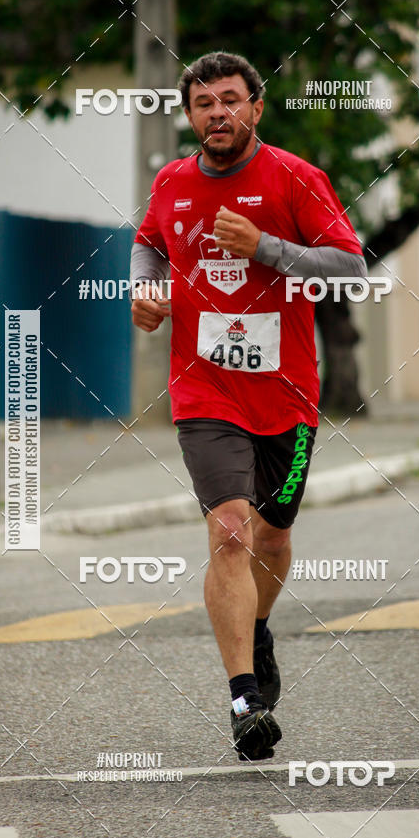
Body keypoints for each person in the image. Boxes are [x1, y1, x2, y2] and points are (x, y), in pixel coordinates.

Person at [130, 51, 366, 761]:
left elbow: (350, 263)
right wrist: (147, 293)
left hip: (288, 396)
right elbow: (148, 246)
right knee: (230, 530)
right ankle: (244, 698)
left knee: (273, 538)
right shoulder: (171, 184)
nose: (218, 114)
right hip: (205, 390)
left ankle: (257, 630)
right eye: (205, 104)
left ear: (256, 108)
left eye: (231, 100)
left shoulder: (295, 178)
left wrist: (265, 247)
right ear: (190, 115)